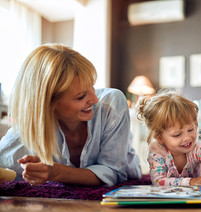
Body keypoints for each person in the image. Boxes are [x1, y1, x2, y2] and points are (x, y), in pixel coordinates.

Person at [0, 43, 142, 186]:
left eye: (92, 86)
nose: (95, 99)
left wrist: (56, 172)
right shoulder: (23, 136)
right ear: (49, 103)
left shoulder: (111, 105)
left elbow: (113, 172)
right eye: (81, 96)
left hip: (129, 178)